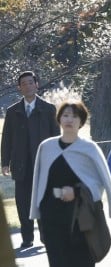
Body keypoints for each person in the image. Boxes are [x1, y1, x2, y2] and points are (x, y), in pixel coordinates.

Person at [30, 100, 111, 267]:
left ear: (81, 121)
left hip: (80, 216)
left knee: (82, 261)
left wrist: (77, 192)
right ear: (59, 119)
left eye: (75, 116)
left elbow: (101, 181)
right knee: (58, 262)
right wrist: (37, 212)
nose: (69, 120)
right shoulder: (46, 147)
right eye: (66, 115)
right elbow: (38, 183)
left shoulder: (89, 148)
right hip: (52, 215)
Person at [1, 71, 60, 249]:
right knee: (23, 202)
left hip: (43, 164)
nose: (27, 86)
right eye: (23, 83)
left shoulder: (49, 109)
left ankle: (46, 236)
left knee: (43, 201)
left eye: (30, 82)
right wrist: (4, 161)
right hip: (20, 165)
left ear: (37, 85)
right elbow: (7, 138)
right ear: (19, 88)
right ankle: (27, 237)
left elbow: (56, 137)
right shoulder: (12, 111)